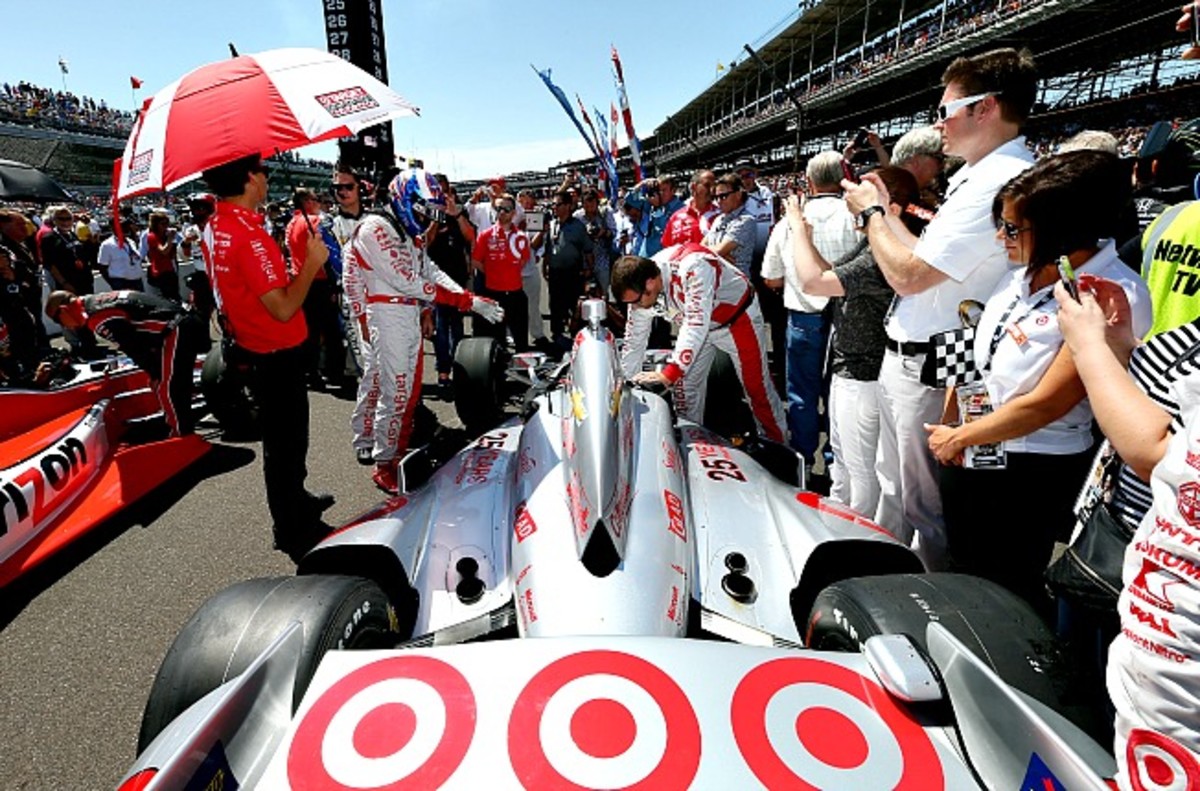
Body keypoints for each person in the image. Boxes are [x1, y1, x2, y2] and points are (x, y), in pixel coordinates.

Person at [923, 151, 1152, 608]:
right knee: (966, 570)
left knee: (1006, 589)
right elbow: (976, 349)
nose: (999, 237)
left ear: (1060, 227)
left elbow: (1050, 402)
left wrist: (960, 436)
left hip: (1030, 470)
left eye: (1011, 228)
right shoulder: (1019, 273)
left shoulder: (1113, 294)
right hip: (973, 448)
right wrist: (952, 426)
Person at [842, 47, 1039, 569]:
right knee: (902, 488)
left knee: (927, 502)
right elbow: (921, 255)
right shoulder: (982, 175)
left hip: (936, 358)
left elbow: (908, 275)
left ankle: (931, 605)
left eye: (947, 110)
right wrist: (887, 210)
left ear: (986, 108)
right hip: (926, 352)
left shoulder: (998, 182)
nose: (939, 124)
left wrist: (871, 216)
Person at [1055, 275, 1200, 790]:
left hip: (1178, 678)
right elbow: (1162, 408)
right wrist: (1120, 346)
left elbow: (1159, 452)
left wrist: (1089, 346)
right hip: (1129, 559)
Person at [201, 153, 334, 561]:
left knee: (284, 443)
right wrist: (311, 265)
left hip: (255, 347)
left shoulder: (216, 224)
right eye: (263, 172)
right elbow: (282, 307)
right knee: (287, 443)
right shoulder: (247, 234)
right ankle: (292, 525)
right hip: (276, 351)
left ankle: (296, 501)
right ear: (249, 179)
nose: (266, 179)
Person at [343, 168, 503, 495]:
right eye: (423, 209)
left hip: (406, 314)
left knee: (409, 391)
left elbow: (430, 270)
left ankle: (397, 453)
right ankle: (384, 462)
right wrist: (467, 303)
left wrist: (464, 297)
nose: (429, 218)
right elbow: (410, 280)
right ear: (404, 199)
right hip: (385, 314)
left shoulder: (406, 233)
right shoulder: (374, 228)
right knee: (395, 391)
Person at [787, 166, 925, 516]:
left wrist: (795, 230)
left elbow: (814, 283)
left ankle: (860, 536)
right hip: (849, 366)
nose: (851, 203)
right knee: (843, 462)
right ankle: (838, 522)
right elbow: (831, 274)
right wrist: (805, 235)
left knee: (863, 473)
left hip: (865, 374)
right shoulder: (872, 242)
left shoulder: (886, 252)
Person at [614, 245, 785, 443]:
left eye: (635, 301)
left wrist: (669, 373)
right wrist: (624, 385)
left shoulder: (694, 266)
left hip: (736, 320)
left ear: (650, 283)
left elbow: (696, 324)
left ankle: (780, 449)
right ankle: (691, 443)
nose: (634, 307)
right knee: (684, 391)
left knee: (757, 389)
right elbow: (634, 341)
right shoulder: (639, 287)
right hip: (697, 328)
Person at [762, 151, 858, 466]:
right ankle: (836, 459)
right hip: (847, 315)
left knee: (801, 394)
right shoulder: (855, 215)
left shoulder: (790, 223)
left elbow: (771, 279)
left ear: (809, 181)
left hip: (804, 316)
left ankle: (802, 457)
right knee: (840, 392)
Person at [46, 289, 209, 436]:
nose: (63, 326)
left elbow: (134, 347)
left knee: (166, 387)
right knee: (169, 381)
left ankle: (181, 434)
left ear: (64, 310)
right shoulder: (96, 300)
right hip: (180, 323)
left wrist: (155, 373)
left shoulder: (97, 317)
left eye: (58, 321)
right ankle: (193, 406)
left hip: (176, 328)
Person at [286, 187, 346, 390]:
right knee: (331, 331)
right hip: (318, 281)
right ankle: (333, 371)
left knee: (310, 331)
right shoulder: (314, 221)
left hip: (300, 281)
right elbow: (331, 252)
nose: (319, 202)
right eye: (316, 198)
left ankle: (310, 372)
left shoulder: (291, 223)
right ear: (307, 202)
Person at [429, 174, 476, 395]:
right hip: (435, 280)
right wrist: (436, 219)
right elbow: (425, 241)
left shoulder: (459, 212)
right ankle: (443, 373)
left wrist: (455, 214)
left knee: (457, 327)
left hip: (457, 279)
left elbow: (470, 236)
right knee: (440, 329)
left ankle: (459, 369)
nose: (442, 196)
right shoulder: (427, 212)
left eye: (445, 192)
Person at [471, 191, 530, 353]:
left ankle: (523, 372)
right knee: (496, 341)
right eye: (498, 209)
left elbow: (523, 261)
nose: (502, 213)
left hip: (516, 293)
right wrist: (492, 272)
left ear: (514, 213)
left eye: (506, 209)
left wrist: (508, 271)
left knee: (521, 340)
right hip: (493, 294)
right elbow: (475, 261)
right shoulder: (485, 235)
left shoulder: (521, 237)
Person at [541, 190, 593, 346]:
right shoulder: (551, 224)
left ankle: (580, 335)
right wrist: (545, 266)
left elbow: (588, 250)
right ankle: (557, 335)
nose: (555, 208)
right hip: (556, 272)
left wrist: (590, 270)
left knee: (575, 305)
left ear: (569, 206)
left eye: (558, 204)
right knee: (556, 305)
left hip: (574, 272)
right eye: (553, 205)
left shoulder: (578, 227)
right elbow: (549, 248)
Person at [703, 173, 756, 276]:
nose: (718, 201)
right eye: (716, 197)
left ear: (738, 194)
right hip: (717, 281)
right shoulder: (718, 219)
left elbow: (717, 251)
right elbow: (703, 247)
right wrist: (721, 257)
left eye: (723, 196)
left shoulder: (746, 220)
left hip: (737, 284)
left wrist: (717, 254)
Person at [574, 187, 618, 296]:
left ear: (597, 202)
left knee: (603, 293)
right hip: (583, 261)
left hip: (602, 259)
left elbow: (613, 232)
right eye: (586, 205)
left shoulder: (605, 212)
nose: (588, 208)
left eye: (591, 204)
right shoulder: (577, 216)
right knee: (584, 293)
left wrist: (603, 232)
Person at [661, 169, 718, 248]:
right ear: (693, 187)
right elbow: (667, 247)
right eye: (707, 185)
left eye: (714, 186)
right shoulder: (676, 217)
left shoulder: (720, 216)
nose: (712, 190)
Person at [97, 217, 144, 291]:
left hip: (137, 281)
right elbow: (102, 267)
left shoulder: (131, 242)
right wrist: (114, 284)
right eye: (123, 226)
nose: (126, 228)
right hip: (122, 283)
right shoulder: (107, 245)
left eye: (127, 226)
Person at [144, 212, 180, 302]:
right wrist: (170, 239)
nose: (166, 227)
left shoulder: (165, 235)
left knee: (175, 295)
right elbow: (164, 251)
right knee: (167, 298)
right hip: (160, 271)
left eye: (167, 224)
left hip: (170, 269)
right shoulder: (152, 236)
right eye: (163, 224)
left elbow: (172, 254)